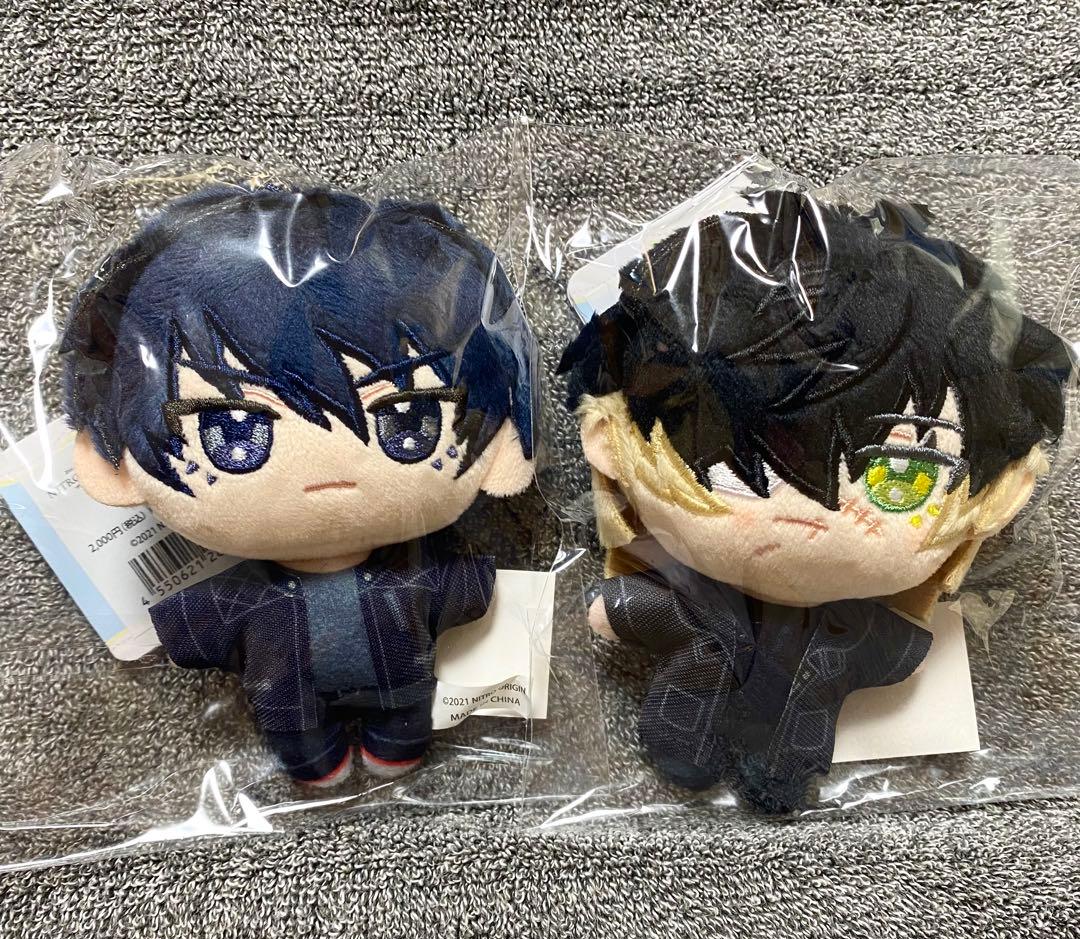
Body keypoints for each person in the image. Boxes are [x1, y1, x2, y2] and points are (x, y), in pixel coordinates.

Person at [559, 189, 1068, 812]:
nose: (819, 512)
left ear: (1004, 491)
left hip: (854, 634)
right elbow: (617, 612)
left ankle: (794, 696)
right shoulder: (686, 592)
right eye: (736, 468)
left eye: (901, 474)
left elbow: (610, 614)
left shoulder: (863, 629)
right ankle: (746, 676)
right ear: (609, 440)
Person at [64, 186, 535, 784]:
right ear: (114, 467)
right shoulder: (265, 598)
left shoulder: (407, 580)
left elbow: (466, 587)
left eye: (408, 420)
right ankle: (316, 758)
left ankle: (392, 743)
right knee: (299, 728)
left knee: (399, 711)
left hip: (402, 691)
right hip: (296, 704)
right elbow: (197, 622)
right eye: (233, 432)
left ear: (502, 445)